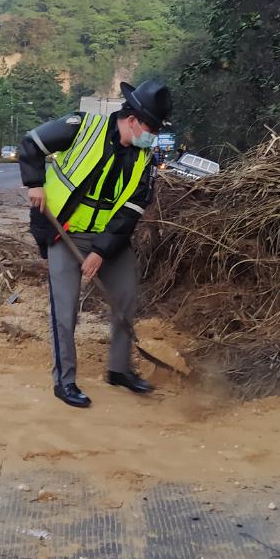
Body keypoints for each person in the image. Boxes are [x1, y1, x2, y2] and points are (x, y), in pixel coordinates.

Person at [17, 80, 171, 408]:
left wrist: (101, 252)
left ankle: (119, 369)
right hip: (64, 232)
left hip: (107, 239)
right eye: (150, 127)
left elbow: (132, 210)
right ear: (132, 120)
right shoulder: (81, 126)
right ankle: (65, 381)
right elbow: (31, 143)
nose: (152, 135)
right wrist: (34, 183)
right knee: (65, 308)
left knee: (126, 295)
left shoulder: (144, 158)